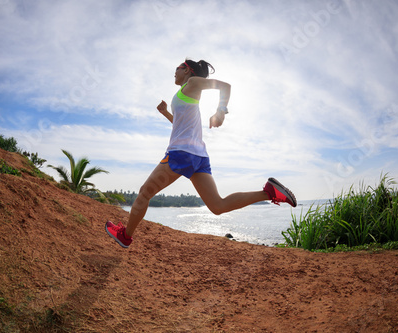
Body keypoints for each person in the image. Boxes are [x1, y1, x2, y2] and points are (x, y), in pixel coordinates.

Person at [105, 59, 296, 248]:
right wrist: (165, 113)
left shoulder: (193, 83)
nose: (175, 72)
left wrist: (220, 112)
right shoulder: (184, 92)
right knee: (217, 206)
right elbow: (181, 126)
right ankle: (269, 192)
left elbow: (225, 86)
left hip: (181, 153)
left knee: (144, 193)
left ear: (187, 70)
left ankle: (125, 236)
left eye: (177, 68)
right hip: (198, 156)